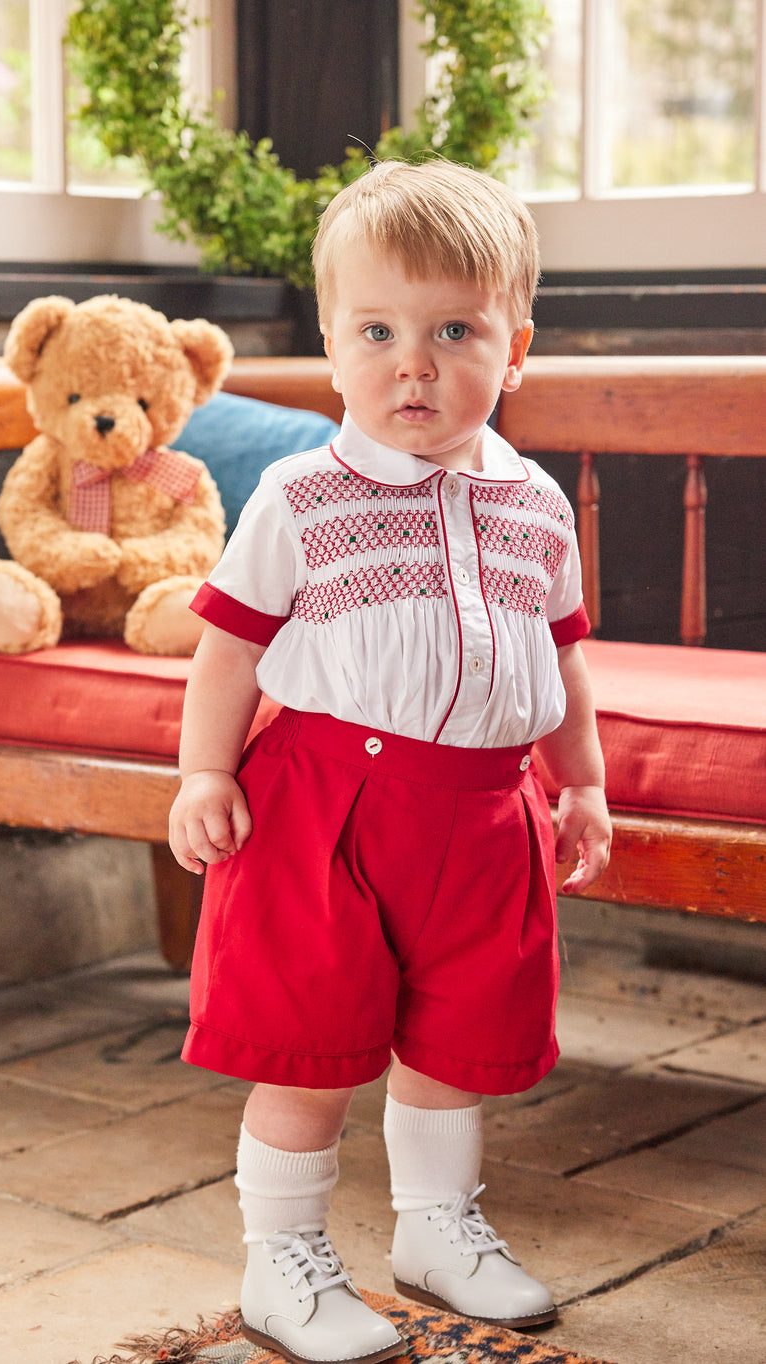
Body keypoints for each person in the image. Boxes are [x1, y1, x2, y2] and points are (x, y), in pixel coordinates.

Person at [169, 158, 612, 1364]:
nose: (412, 362)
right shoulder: (301, 498)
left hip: (484, 808)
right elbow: (229, 648)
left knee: (453, 1039)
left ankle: (435, 1226)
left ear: (514, 346)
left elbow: (563, 656)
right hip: (327, 804)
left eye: (453, 328)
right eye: (378, 329)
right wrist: (204, 771)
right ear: (331, 345)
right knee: (308, 1037)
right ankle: (283, 1259)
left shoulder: (536, 506)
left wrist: (582, 782)